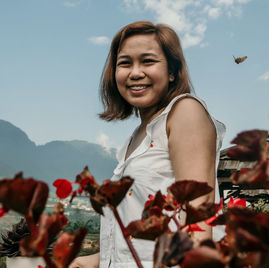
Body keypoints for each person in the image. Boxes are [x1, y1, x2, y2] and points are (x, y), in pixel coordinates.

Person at [69, 21, 225, 268]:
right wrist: (96, 261)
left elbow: (199, 223)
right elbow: (141, 238)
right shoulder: (139, 135)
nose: (135, 72)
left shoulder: (185, 112)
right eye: (125, 63)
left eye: (148, 61)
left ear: (172, 72)